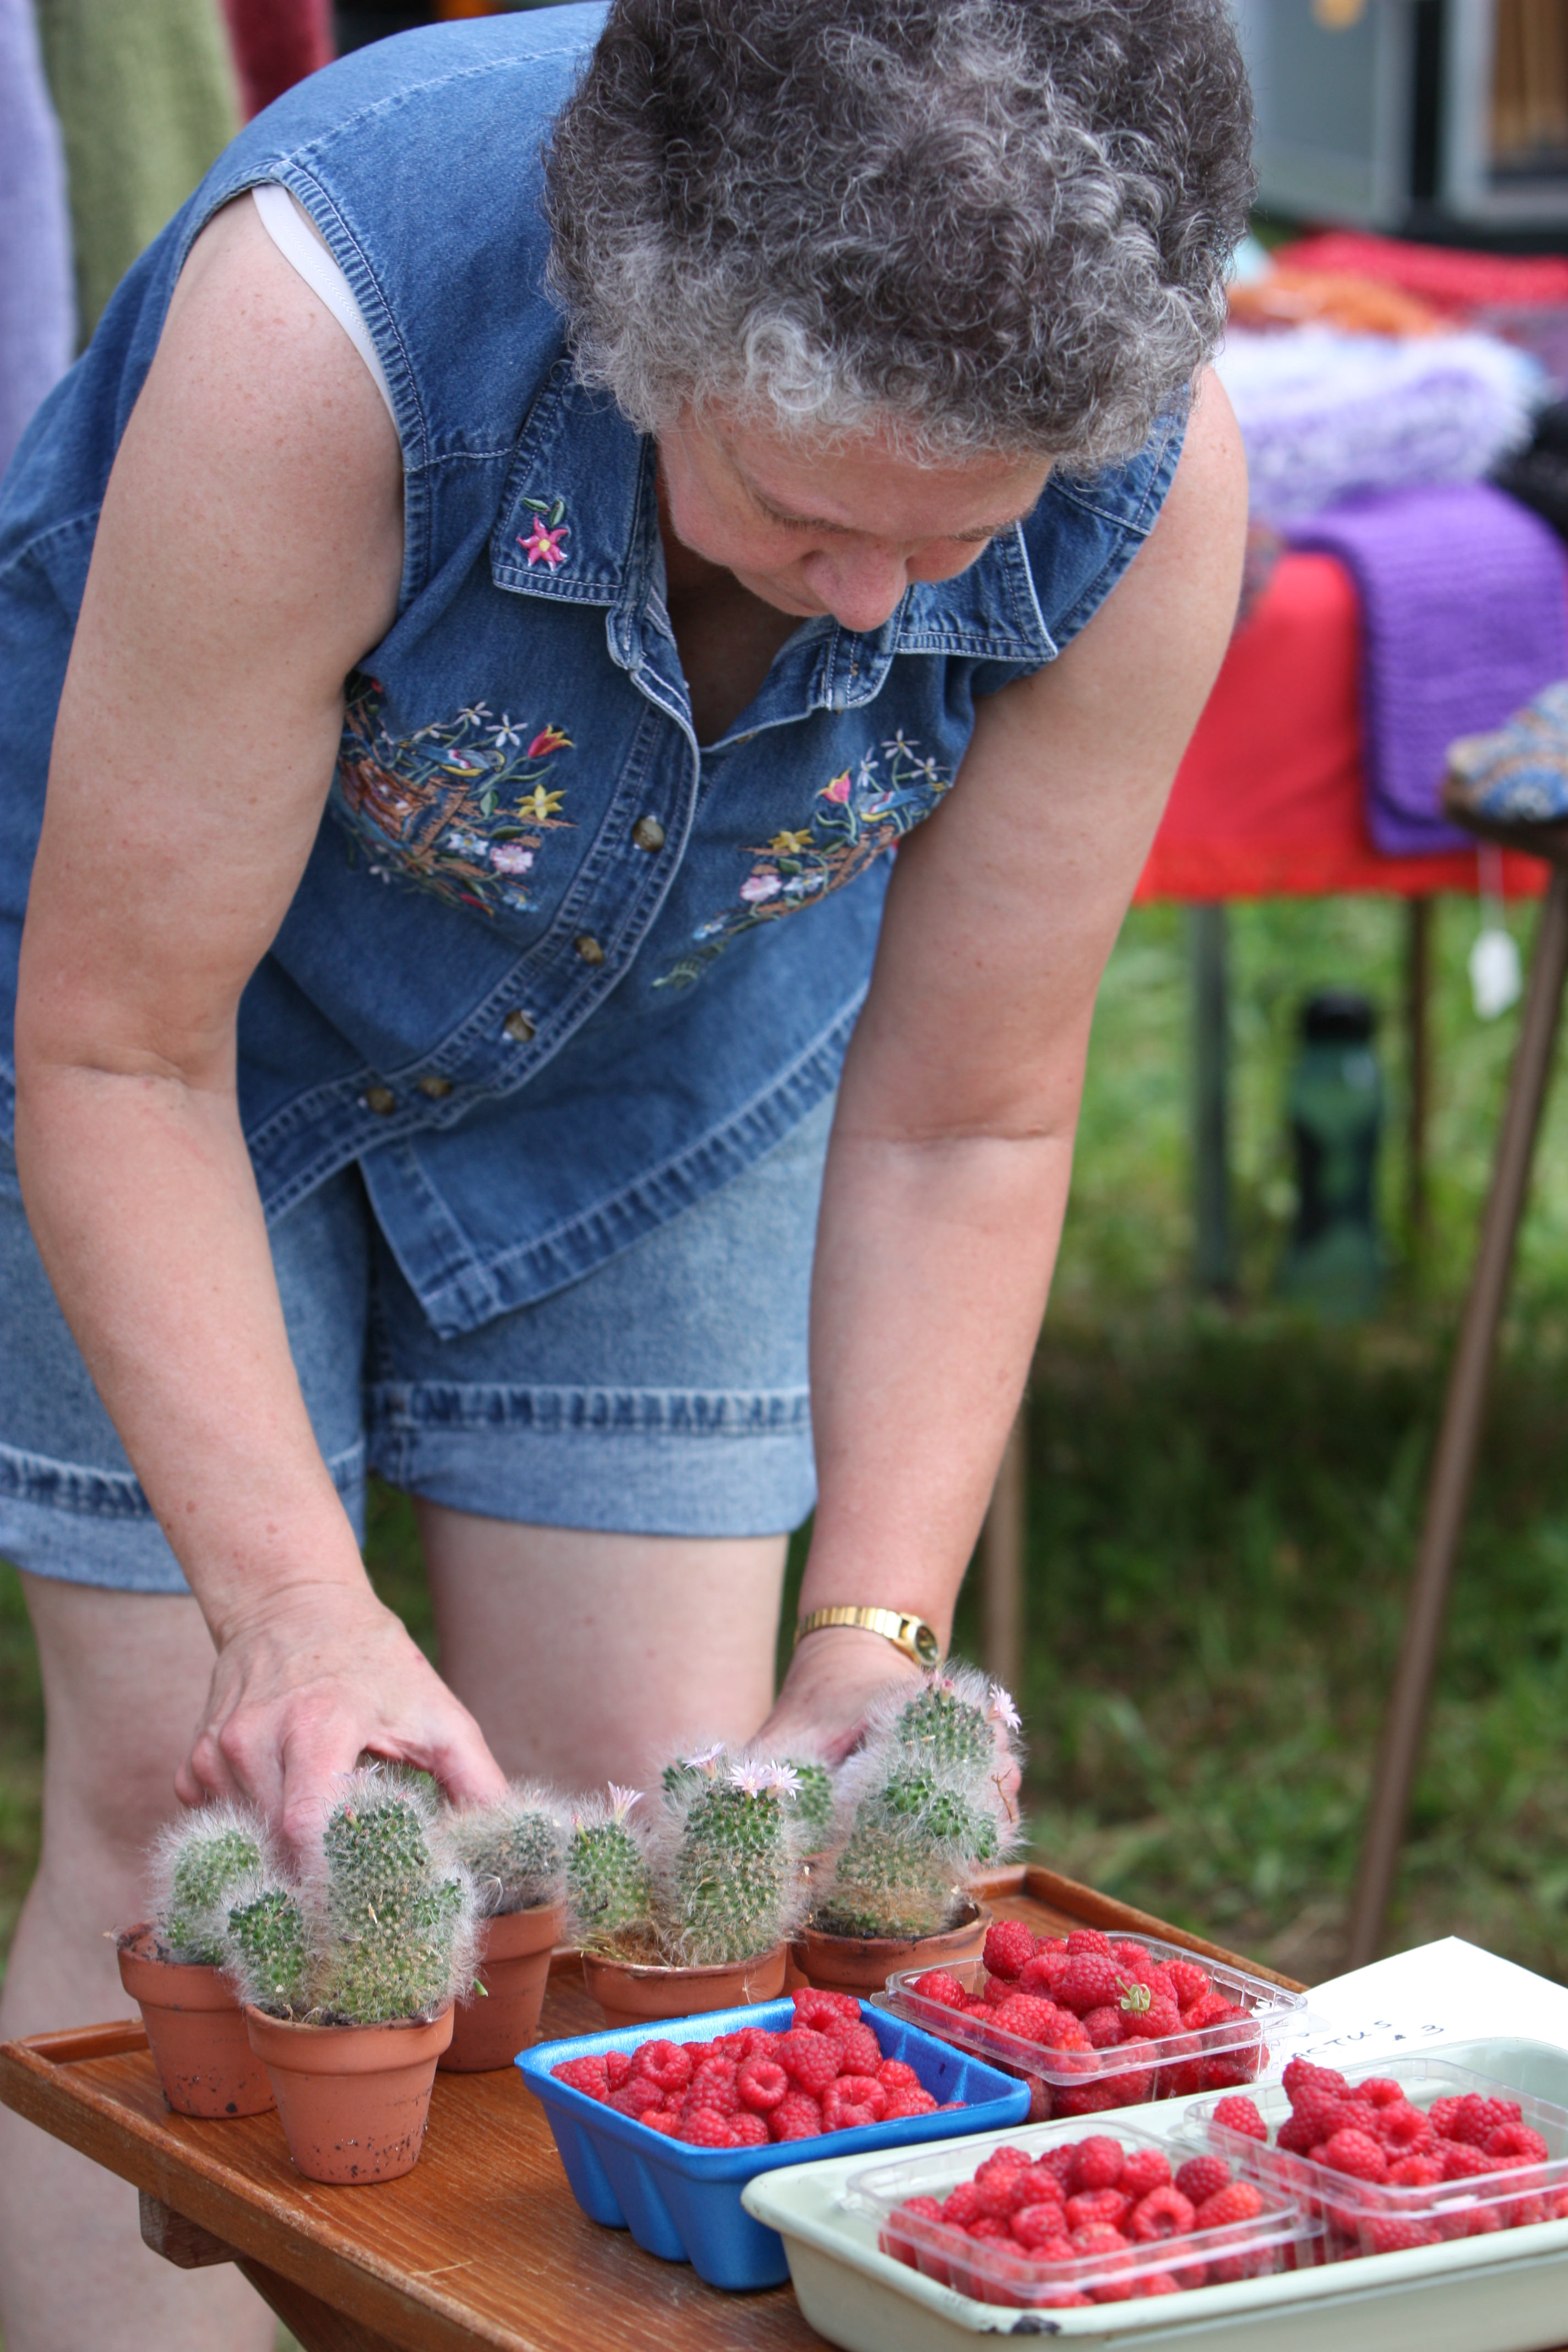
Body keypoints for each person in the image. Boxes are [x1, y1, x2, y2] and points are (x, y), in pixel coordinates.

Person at [0, 1, 1250, 2341]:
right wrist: (287, 1604)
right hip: (166, 1022)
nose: (882, 604)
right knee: (190, 1857)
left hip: (682, 1036)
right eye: (806, 518)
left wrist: (869, 1639)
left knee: (653, 1854)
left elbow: (967, 1108)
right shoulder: (335, 334)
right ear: (632, 328)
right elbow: (118, 1048)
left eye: (953, 536)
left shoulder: (1148, 487)